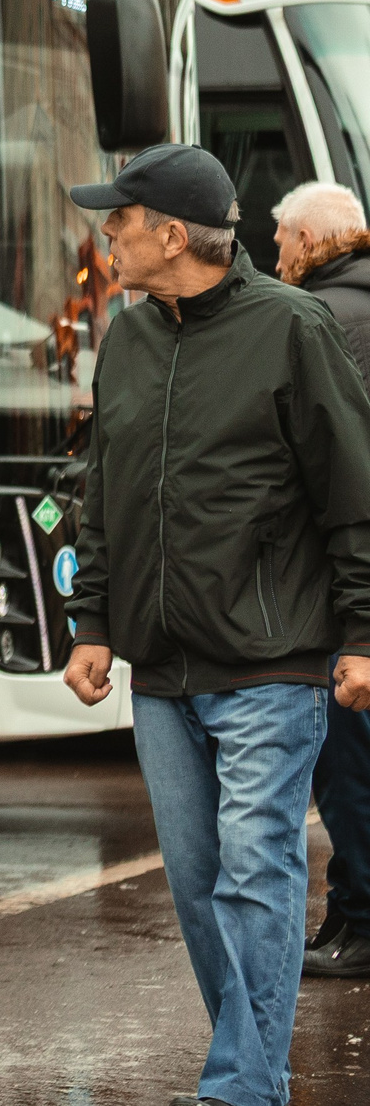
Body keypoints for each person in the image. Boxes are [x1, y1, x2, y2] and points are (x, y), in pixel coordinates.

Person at [61, 144, 370, 1106]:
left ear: (168, 233)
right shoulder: (126, 338)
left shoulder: (295, 328)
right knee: (199, 889)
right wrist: (92, 621)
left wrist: (361, 633)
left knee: (255, 875)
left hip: (272, 669)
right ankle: (252, 1070)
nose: (105, 234)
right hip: (160, 674)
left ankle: (241, 1087)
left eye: (118, 220)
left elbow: (354, 496)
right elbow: (100, 494)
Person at [272, 180, 370, 979]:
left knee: (347, 756)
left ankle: (362, 919)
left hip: (347, 585)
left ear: (307, 244)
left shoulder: (322, 323)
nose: (274, 259)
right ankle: (350, 906)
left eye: (279, 244)